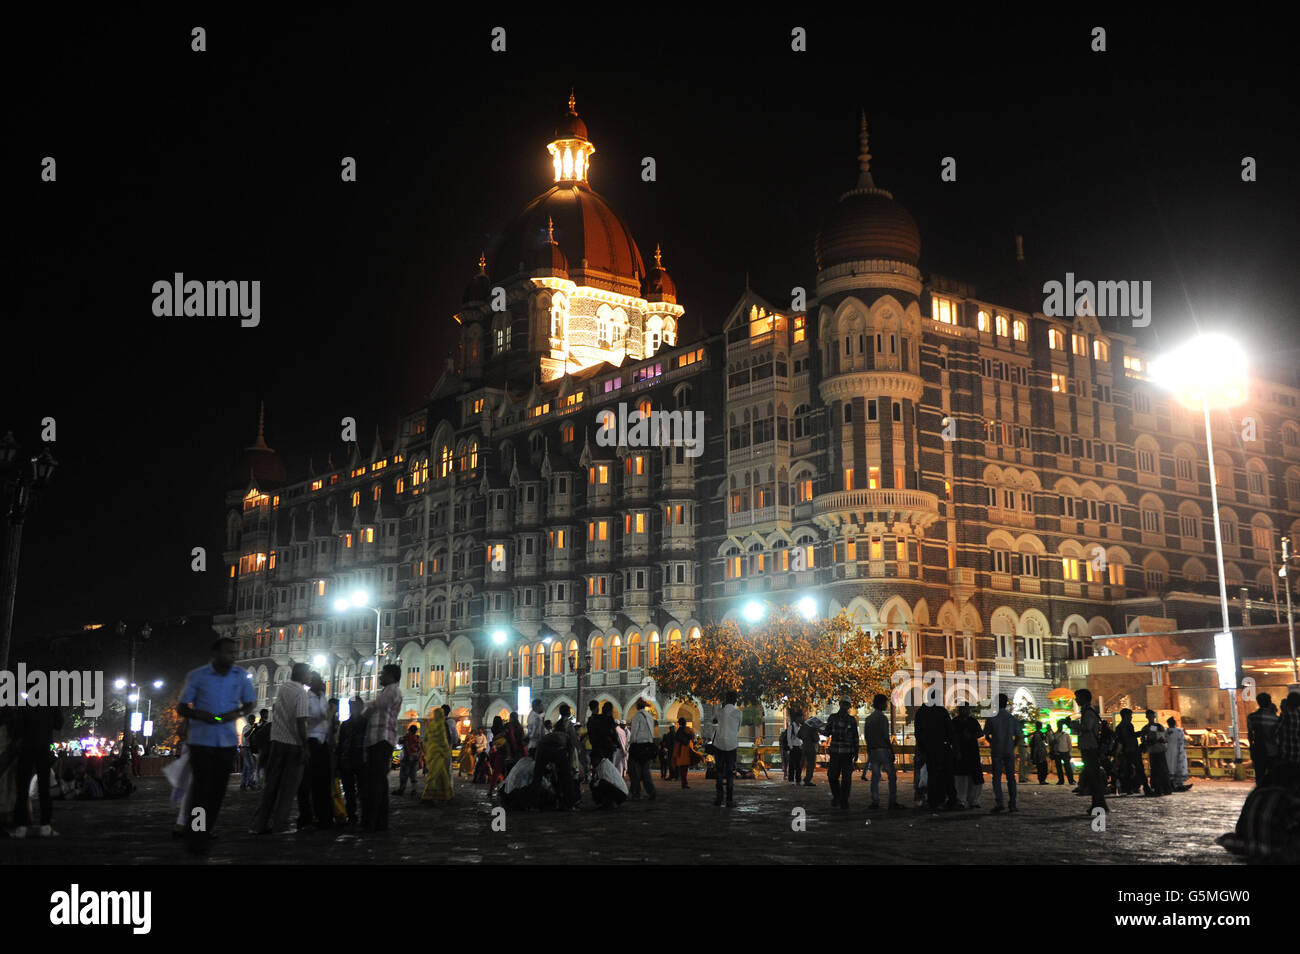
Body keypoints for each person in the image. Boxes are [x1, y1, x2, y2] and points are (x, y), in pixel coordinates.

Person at [176, 636, 257, 853]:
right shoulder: (198, 676)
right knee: (201, 789)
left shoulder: (240, 676)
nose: (231, 656)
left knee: (218, 790)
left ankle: (206, 829)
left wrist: (237, 713)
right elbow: (182, 707)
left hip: (227, 741)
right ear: (215, 654)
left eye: (233, 653)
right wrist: (197, 714)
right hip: (201, 740)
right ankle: (197, 832)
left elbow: (250, 702)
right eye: (227, 652)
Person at [250, 662, 311, 836]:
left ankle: (259, 824)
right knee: (288, 788)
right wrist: (305, 746)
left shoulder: (283, 688)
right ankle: (279, 823)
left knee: (272, 785)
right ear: (302, 675)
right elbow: (301, 721)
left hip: (277, 742)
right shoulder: (301, 693)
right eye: (308, 673)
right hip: (293, 744)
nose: (310, 677)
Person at [8, 703, 64, 837]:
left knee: (22, 789)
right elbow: (59, 724)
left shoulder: (24, 705)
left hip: (26, 748)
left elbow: (17, 727)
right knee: (44, 788)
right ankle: (45, 825)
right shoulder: (51, 704)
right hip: (44, 747)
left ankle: (22, 826)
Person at [360, 664, 404, 831]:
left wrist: (366, 707)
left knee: (376, 782)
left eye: (383, 674)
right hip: (377, 738)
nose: (380, 677)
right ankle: (379, 821)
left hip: (382, 739)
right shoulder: (388, 691)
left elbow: (378, 705)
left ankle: (373, 820)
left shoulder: (392, 691)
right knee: (378, 782)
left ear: (391, 676)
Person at [296, 671, 334, 830]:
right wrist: (330, 713)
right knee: (308, 783)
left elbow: (326, 720)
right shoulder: (306, 697)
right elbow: (312, 718)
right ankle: (306, 818)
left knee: (323, 782)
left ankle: (325, 817)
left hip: (323, 741)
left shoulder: (322, 697)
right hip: (311, 740)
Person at [1066, 688, 1108, 815]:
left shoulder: (1088, 712)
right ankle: (1099, 804)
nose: (1076, 700)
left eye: (1077, 697)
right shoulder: (1087, 711)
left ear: (1084, 698)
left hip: (1090, 748)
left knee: (1094, 778)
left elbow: (1086, 727)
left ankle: (1099, 805)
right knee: (1093, 778)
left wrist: (1071, 724)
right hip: (1088, 747)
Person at [915, 698, 956, 810]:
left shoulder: (920, 712)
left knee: (932, 775)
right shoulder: (941, 711)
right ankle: (948, 799)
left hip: (928, 748)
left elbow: (917, 733)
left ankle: (933, 800)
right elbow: (950, 730)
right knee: (946, 774)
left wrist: (922, 748)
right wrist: (952, 744)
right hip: (942, 747)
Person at [864, 694, 903, 809]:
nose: (886, 705)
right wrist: (891, 750)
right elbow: (885, 737)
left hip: (873, 750)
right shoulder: (882, 718)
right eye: (885, 703)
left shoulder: (869, 719)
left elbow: (867, 737)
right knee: (892, 776)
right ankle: (892, 801)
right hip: (883, 750)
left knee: (875, 777)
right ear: (881, 704)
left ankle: (875, 801)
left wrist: (869, 750)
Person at [983, 693, 1019, 814]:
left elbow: (986, 735)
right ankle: (1012, 803)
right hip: (1009, 750)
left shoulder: (992, 718)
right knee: (1011, 778)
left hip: (997, 750)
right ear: (1006, 703)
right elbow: (1018, 735)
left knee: (996, 778)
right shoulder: (1012, 718)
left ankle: (999, 802)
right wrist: (1013, 745)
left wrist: (992, 742)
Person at [336, 698, 368, 824]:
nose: (353, 709)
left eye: (355, 706)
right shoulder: (345, 724)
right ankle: (352, 814)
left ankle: (363, 815)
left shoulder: (365, 723)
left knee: (362, 790)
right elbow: (341, 743)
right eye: (351, 706)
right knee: (349, 791)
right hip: (347, 760)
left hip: (360, 760)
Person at [823, 697, 858, 809]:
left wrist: (856, 752)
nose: (845, 707)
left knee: (846, 778)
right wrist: (818, 728)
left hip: (846, 752)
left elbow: (855, 737)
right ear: (840, 704)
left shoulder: (851, 720)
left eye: (847, 705)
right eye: (844, 704)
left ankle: (842, 799)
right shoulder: (833, 718)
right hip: (836, 751)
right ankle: (838, 797)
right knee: (832, 776)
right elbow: (827, 732)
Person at [951, 703, 984, 809]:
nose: (966, 711)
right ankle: (961, 800)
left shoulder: (973, 721)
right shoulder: (954, 722)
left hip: (972, 752)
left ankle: (973, 800)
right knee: (961, 778)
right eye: (963, 709)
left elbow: (980, 733)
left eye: (967, 709)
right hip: (960, 752)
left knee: (974, 778)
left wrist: (971, 736)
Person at [713, 691, 742, 807]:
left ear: (725, 699)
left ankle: (719, 798)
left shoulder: (719, 712)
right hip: (731, 744)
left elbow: (714, 721)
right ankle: (729, 799)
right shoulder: (738, 713)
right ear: (735, 700)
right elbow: (738, 729)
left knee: (719, 771)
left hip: (719, 744)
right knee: (730, 773)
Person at [1247, 693, 1281, 785]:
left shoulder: (1252, 717)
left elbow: (1250, 735)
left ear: (1258, 702)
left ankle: (1260, 793)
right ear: (1269, 702)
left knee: (1259, 776)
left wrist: (1251, 748)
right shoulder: (1276, 719)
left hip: (1258, 750)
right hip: (1273, 752)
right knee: (1273, 776)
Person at [1115, 708, 1151, 796]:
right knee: (1139, 769)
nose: (1131, 717)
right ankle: (1146, 788)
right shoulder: (1127, 725)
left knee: (1127, 770)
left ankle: (1128, 789)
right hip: (1132, 750)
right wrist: (1141, 732)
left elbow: (1120, 740)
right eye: (1130, 715)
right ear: (1125, 716)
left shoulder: (1119, 727)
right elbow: (1130, 736)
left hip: (1126, 751)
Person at [627, 699, 657, 801]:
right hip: (648, 746)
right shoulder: (649, 716)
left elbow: (634, 732)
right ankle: (651, 791)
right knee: (646, 771)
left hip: (638, 746)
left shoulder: (637, 716)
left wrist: (631, 743)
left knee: (635, 771)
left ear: (637, 706)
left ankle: (636, 792)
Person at [421, 709, 453, 802]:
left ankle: (446, 794)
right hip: (438, 753)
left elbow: (425, 739)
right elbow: (443, 740)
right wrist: (447, 751)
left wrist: (426, 750)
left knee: (441, 774)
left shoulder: (430, 725)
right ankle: (427, 795)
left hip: (431, 752)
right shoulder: (440, 725)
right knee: (433, 774)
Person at [1141, 710, 1172, 796]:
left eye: (1151, 716)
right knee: (1155, 770)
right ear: (1147, 717)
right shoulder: (1146, 728)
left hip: (1159, 750)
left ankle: (1164, 788)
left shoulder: (1157, 727)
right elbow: (1143, 738)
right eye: (1149, 716)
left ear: (1154, 716)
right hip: (1153, 751)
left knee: (1162, 769)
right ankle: (1159, 788)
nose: (1150, 717)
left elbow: (1163, 738)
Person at [588, 701, 618, 774]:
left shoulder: (593, 719)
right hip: (606, 751)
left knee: (597, 772)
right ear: (610, 711)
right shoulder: (608, 720)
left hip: (595, 750)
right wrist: (615, 744)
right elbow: (613, 735)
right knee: (607, 773)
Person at [1165, 717, 1192, 792]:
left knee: (1171, 766)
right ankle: (1179, 784)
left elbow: (1165, 740)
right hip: (1179, 750)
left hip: (1169, 751)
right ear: (1175, 723)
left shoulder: (1166, 731)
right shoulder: (1179, 730)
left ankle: (1172, 783)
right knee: (1180, 766)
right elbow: (1182, 740)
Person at [394, 724, 421, 795]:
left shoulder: (405, 738)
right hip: (415, 758)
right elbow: (419, 749)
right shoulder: (417, 738)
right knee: (413, 775)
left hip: (407, 758)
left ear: (409, 730)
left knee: (403, 775)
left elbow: (399, 743)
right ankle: (414, 790)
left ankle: (401, 789)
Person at [672, 717, 696, 788]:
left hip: (681, 751)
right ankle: (684, 783)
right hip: (684, 751)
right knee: (684, 768)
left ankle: (684, 783)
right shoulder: (686, 730)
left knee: (683, 768)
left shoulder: (679, 731)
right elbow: (691, 737)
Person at [487, 716, 508, 796]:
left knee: (496, 772)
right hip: (503, 752)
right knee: (504, 771)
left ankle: (491, 790)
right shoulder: (503, 731)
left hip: (495, 751)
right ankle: (504, 789)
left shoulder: (493, 729)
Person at [798, 714, 821, 786]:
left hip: (804, 746)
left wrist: (805, 739)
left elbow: (798, 735)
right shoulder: (813, 728)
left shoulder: (803, 726)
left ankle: (798, 778)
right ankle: (807, 780)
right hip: (811, 747)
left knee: (801, 763)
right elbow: (816, 739)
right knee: (811, 764)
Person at [1280, 692, 1300, 771]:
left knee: (1288, 778)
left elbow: (1276, 732)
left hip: (1287, 753)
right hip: (1298, 753)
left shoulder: (1285, 714)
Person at [1051, 720, 1075, 786]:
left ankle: (1067, 780)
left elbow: (1069, 744)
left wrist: (1069, 752)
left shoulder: (1059, 734)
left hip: (1063, 752)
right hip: (1061, 752)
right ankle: (1067, 780)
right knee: (1063, 767)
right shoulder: (1061, 735)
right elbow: (1069, 744)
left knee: (1064, 767)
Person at [239, 713, 259, 791]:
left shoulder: (251, 727)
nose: (253, 721)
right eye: (252, 719)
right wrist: (252, 728)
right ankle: (250, 783)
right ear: (249, 720)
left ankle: (243, 784)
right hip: (245, 748)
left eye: (254, 720)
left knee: (246, 768)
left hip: (248, 748)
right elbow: (245, 735)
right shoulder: (246, 727)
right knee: (250, 767)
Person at [785, 712, 804, 785]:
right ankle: (791, 780)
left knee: (799, 765)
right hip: (793, 748)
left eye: (802, 717)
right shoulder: (791, 727)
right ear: (796, 718)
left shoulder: (801, 726)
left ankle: (798, 780)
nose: (801, 719)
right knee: (792, 765)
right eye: (800, 717)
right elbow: (788, 738)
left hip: (800, 747)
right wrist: (791, 747)